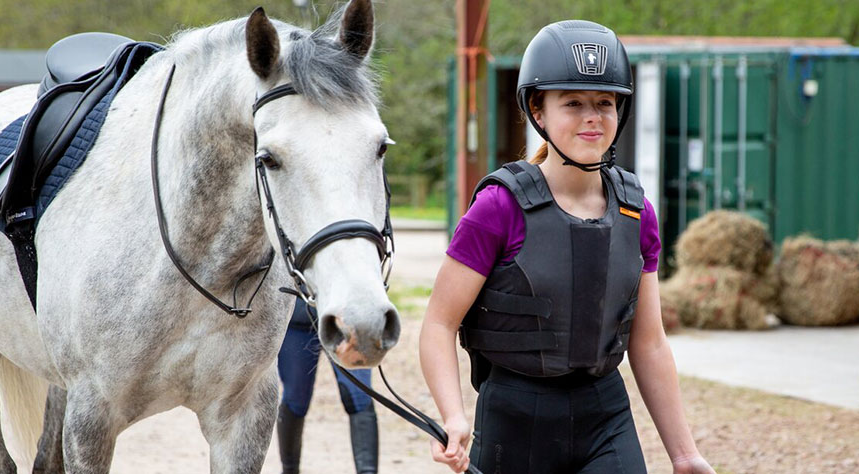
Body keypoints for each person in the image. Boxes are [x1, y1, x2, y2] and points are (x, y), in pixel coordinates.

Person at [419, 20, 714, 474]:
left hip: (605, 415)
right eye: (572, 103)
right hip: (515, 419)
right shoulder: (498, 208)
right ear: (538, 111)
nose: (592, 116)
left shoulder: (637, 212)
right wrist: (454, 417)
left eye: (605, 102)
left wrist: (684, 454)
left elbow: (649, 342)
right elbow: (439, 324)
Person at [277, 297, 379, 474]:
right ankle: (289, 470)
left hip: (348, 318)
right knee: (295, 400)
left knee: (359, 397)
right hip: (298, 319)